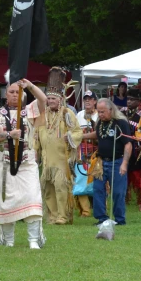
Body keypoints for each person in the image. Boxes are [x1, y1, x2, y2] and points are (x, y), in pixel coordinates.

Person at [0, 79, 47, 249]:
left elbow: (43, 101)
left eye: (18, 92)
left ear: (23, 95)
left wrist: (30, 85)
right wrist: (9, 134)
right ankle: (8, 240)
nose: (15, 95)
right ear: (5, 94)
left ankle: (33, 240)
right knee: (6, 201)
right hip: (4, 164)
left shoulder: (30, 111)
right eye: (11, 92)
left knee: (32, 196)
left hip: (27, 163)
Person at [36, 68, 83, 225]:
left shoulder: (67, 113)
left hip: (62, 160)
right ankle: (53, 216)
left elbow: (77, 132)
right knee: (48, 189)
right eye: (48, 98)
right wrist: (36, 151)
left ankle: (63, 215)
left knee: (61, 187)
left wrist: (69, 137)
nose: (50, 101)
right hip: (47, 159)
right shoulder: (43, 115)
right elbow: (37, 134)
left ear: (61, 99)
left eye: (53, 99)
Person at [90, 98, 132, 226]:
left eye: (103, 112)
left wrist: (124, 163)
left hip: (117, 161)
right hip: (101, 162)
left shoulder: (121, 123)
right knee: (97, 189)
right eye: (99, 112)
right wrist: (80, 136)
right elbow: (97, 135)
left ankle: (119, 219)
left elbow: (128, 144)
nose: (101, 114)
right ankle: (102, 218)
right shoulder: (100, 123)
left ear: (111, 110)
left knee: (118, 192)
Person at [75, 90, 98, 217]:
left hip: (97, 152)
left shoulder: (99, 115)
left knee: (98, 180)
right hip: (82, 152)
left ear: (95, 101)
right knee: (81, 179)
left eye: (90, 99)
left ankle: (100, 207)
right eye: (85, 99)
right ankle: (85, 210)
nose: (87, 101)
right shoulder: (79, 115)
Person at [124, 87, 141, 206]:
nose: (129, 102)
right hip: (124, 146)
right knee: (124, 172)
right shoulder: (123, 112)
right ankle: (125, 196)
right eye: (128, 99)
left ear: (138, 101)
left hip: (137, 148)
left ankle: (140, 197)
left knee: (137, 174)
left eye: (132, 99)